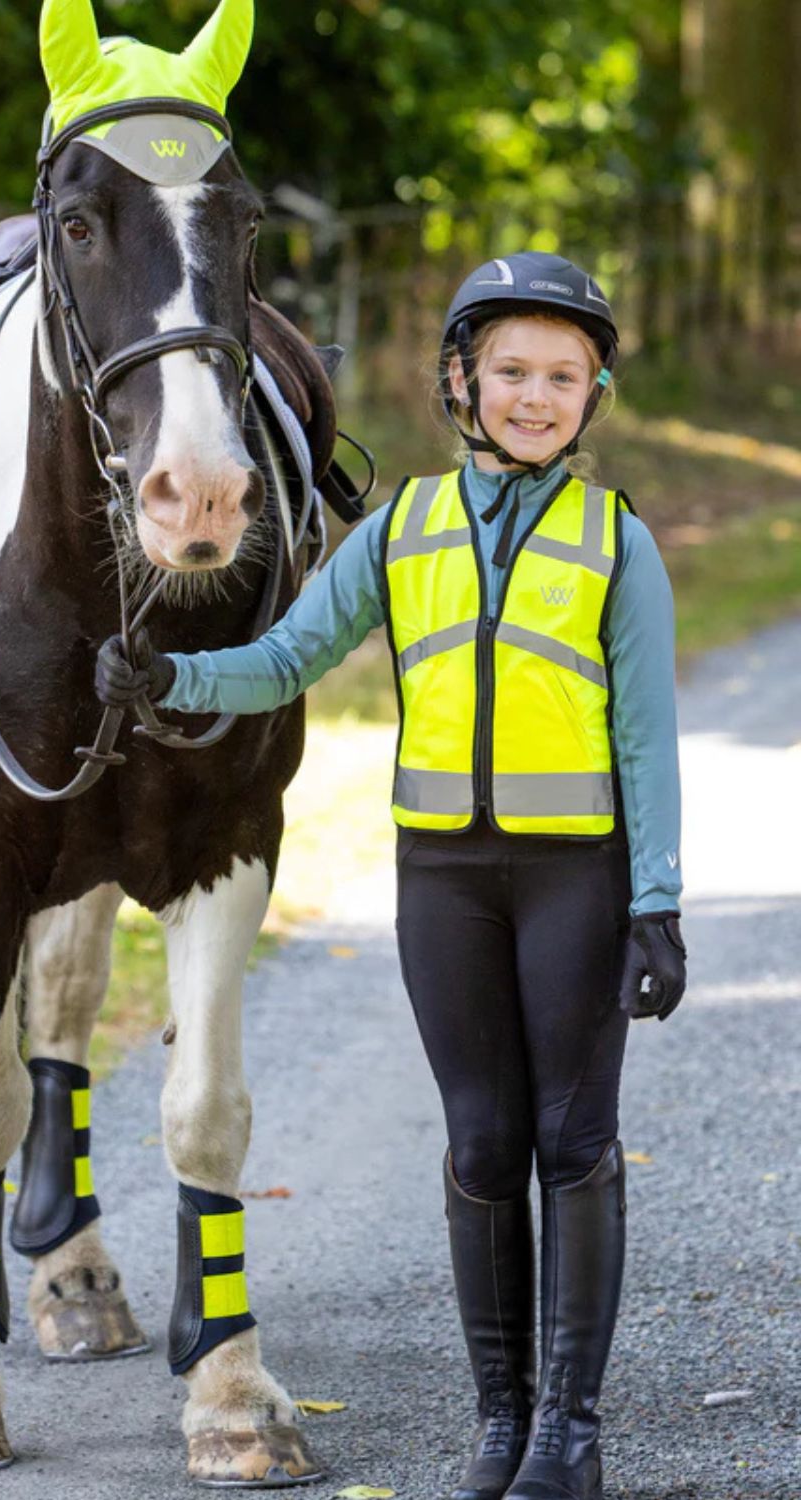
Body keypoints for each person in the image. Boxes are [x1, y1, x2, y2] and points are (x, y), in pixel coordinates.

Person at [95, 251, 687, 1500]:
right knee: (479, 1143)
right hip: (446, 882)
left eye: (564, 377)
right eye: (512, 371)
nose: (536, 396)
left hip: (578, 878)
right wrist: (174, 682)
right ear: (461, 379)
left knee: (571, 1141)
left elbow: (648, 737)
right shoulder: (402, 529)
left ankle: (569, 1440)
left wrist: (658, 903)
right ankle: (498, 1424)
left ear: (593, 396)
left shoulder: (617, 543)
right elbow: (286, 656)